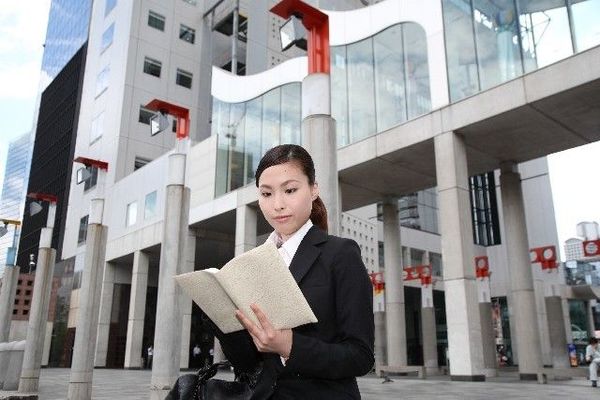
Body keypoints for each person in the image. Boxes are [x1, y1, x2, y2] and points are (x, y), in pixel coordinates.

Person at [214, 144, 374, 399]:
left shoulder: (341, 254)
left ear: (313, 189)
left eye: (290, 190)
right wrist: (222, 320)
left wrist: (290, 346)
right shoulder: (252, 264)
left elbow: (360, 356)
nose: (277, 204)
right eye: (267, 194)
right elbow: (248, 364)